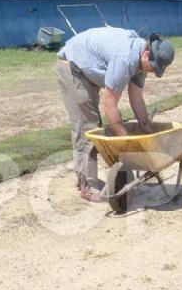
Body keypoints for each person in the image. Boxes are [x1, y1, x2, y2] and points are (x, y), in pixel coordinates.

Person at [56, 27, 175, 201]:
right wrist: (127, 143)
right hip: (73, 67)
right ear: (146, 54)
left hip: (89, 68)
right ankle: (87, 186)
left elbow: (136, 98)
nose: (152, 71)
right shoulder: (125, 59)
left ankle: (84, 175)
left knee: (93, 124)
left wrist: (147, 130)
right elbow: (110, 105)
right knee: (89, 127)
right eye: (153, 67)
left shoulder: (141, 61)